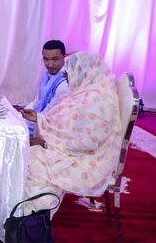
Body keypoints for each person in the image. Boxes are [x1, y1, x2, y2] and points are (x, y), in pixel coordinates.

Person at [20, 52, 121, 216]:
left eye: (69, 73)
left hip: (87, 160)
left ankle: (29, 218)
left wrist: (46, 143)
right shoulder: (87, 92)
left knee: (31, 164)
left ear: (84, 72)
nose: (66, 77)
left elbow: (86, 143)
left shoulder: (98, 100)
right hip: (72, 151)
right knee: (25, 155)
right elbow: (69, 124)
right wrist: (39, 118)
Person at [25, 40, 70, 141]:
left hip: (54, 124)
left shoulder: (66, 80)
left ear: (64, 57)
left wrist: (35, 118)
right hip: (40, 117)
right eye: (46, 59)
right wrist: (26, 111)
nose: (49, 64)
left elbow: (52, 110)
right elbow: (38, 100)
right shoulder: (46, 74)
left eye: (55, 59)